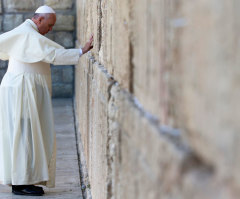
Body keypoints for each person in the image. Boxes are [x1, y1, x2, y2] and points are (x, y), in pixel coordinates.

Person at [0, 5, 93, 196]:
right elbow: (53, 54)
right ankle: (20, 183)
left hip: (21, 89)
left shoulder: (27, 32)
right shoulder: (29, 35)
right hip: (22, 90)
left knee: (26, 134)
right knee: (25, 135)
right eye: (49, 25)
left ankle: (23, 180)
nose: (50, 30)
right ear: (39, 19)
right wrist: (80, 51)